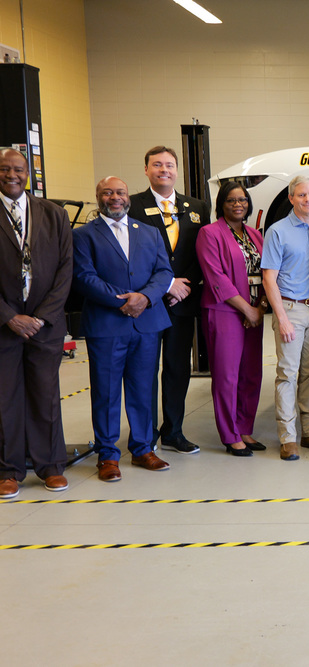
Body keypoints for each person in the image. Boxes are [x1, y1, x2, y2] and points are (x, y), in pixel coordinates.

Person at [73, 177, 173, 482]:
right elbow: (84, 276)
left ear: (128, 197)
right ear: (98, 197)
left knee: (143, 389)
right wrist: (122, 302)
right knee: (106, 392)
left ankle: (143, 448)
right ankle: (107, 455)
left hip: (146, 324)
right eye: (108, 192)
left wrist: (144, 297)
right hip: (106, 325)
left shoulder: (150, 233)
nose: (115, 197)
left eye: (120, 192)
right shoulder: (84, 235)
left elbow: (164, 271)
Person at [0, 148, 73, 498]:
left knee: (46, 396)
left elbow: (65, 270)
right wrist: (9, 317)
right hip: (4, 325)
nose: (11, 175)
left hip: (45, 325)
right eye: (4, 169)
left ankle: (50, 466)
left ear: (28, 173)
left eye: (18, 169)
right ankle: (9, 469)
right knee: (5, 398)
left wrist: (42, 317)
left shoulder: (54, 214)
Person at [129, 146, 210, 455]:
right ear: (147, 169)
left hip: (183, 302)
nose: (164, 169)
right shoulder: (134, 205)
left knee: (177, 368)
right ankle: (145, 434)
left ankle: (173, 432)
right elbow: (132, 255)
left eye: (170, 165)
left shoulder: (197, 206)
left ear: (177, 170)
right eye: (157, 165)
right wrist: (165, 284)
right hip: (150, 302)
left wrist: (184, 285)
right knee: (145, 370)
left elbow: (201, 250)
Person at [261, 175, 309, 461]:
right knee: (287, 374)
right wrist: (282, 318)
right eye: (302, 195)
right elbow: (269, 279)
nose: (308, 200)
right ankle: (288, 437)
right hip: (289, 308)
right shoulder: (277, 232)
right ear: (291, 198)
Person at [195, 182, 267, 457]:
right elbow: (216, 277)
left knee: (251, 373)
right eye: (231, 200)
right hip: (224, 311)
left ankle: (244, 427)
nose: (238, 204)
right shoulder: (209, 233)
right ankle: (229, 433)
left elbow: (267, 271)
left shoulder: (254, 235)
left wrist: (259, 306)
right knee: (227, 375)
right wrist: (246, 309)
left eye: (242, 200)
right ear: (221, 204)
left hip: (254, 310)